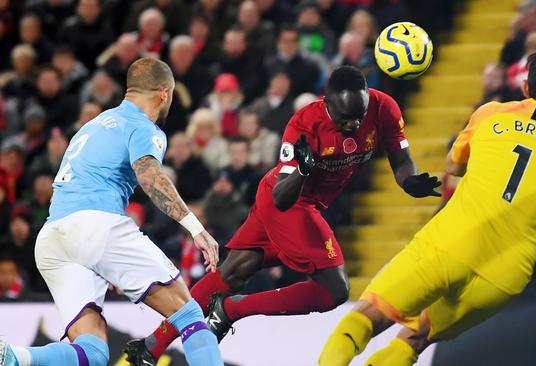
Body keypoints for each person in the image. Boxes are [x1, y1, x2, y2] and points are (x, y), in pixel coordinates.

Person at [318, 45, 536, 366]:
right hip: (503, 276)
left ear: (524, 86)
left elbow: (453, 165)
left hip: (449, 244)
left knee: (366, 318)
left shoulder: (490, 114)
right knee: (415, 339)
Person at [125, 65, 441, 364]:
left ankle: (152, 345)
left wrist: (408, 181)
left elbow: (402, 161)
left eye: (358, 118)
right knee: (335, 290)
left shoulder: (383, 108)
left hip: (305, 204)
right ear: (327, 101)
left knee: (232, 273)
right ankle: (233, 309)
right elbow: (282, 196)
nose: (353, 127)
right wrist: (304, 170)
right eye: (345, 120)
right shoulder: (304, 124)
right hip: (290, 202)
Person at [0, 58, 222, 366]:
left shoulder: (93, 125)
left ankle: (14, 357)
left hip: (52, 238)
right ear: (164, 93)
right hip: (95, 225)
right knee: (190, 314)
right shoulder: (143, 127)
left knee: (92, 352)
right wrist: (195, 228)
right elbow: (149, 175)